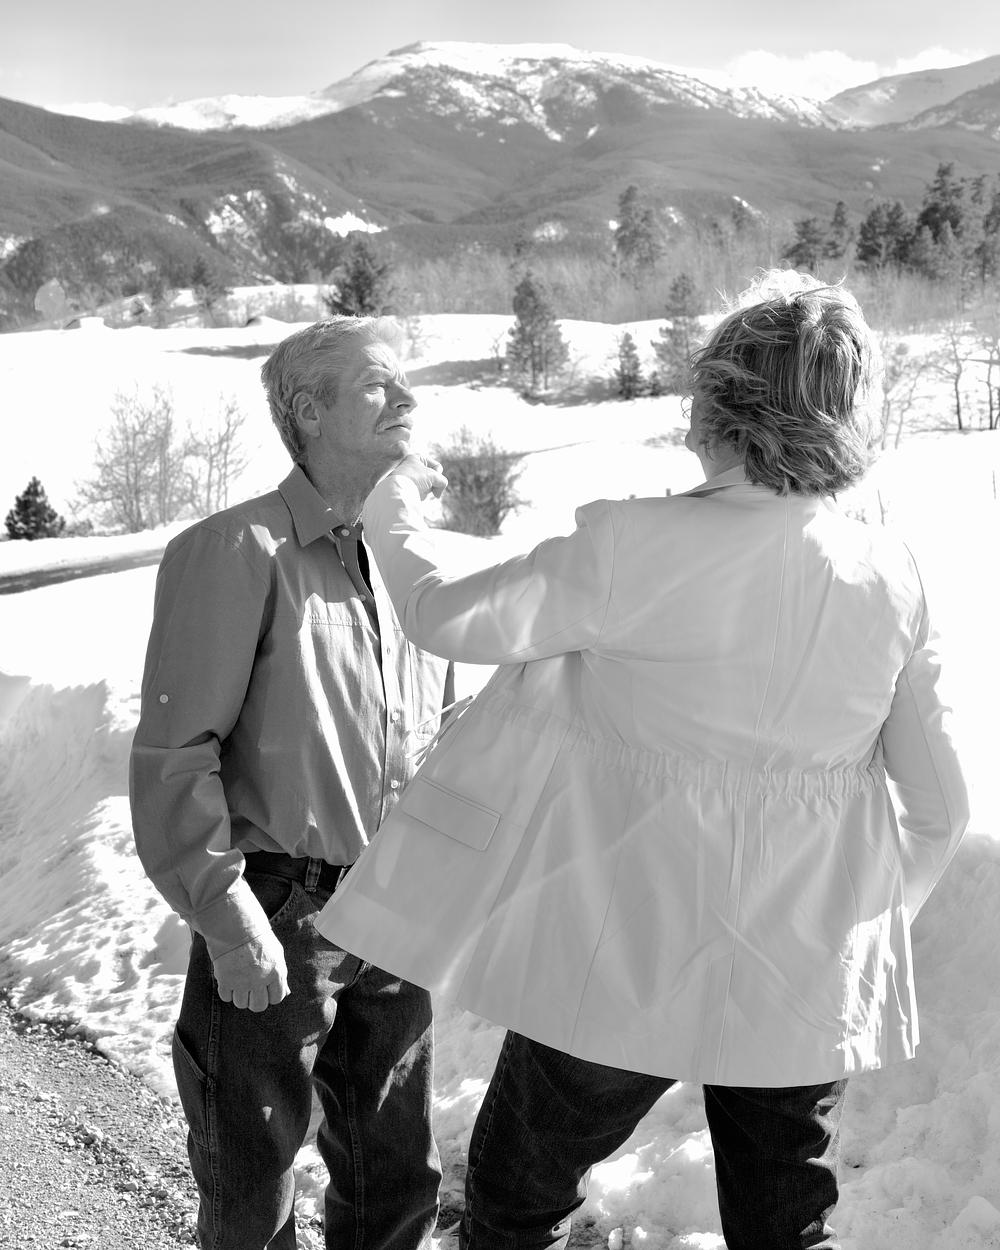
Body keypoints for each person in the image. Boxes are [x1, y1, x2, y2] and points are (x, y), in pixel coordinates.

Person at [314, 273, 970, 1250]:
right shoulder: (889, 573)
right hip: (804, 973)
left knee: (515, 1200)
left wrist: (389, 507)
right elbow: (941, 809)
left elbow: (446, 615)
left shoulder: (632, 543)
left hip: (621, 960)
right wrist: (862, 922)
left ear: (719, 405)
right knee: (786, 1230)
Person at [129, 316, 454, 1250]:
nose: (407, 398)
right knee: (253, 1188)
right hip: (279, 907)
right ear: (308, 412)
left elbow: (436, 736)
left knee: (397, 1183)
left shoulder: (408, 565)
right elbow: (176, 753)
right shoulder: (235, 550)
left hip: (393, 907)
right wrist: (228, 921)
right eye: (378, 384)